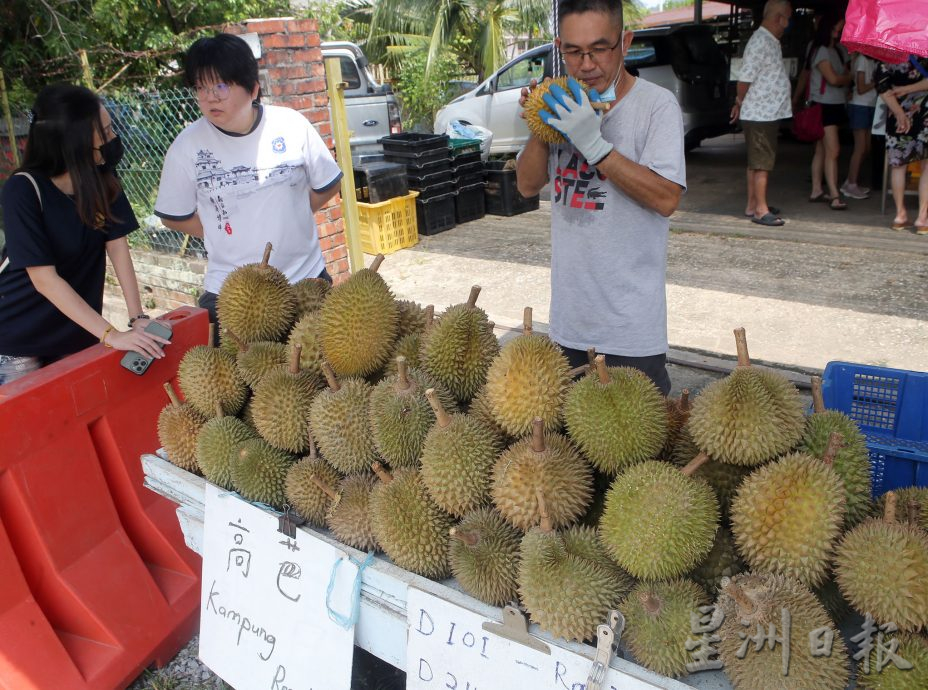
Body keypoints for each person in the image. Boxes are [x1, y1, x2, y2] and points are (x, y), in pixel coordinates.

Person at [515, 0, 685, 395]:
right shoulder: (561, 103)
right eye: (573, 51)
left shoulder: (656, 107)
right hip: (569, 323)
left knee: (636, 451)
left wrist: (595, 145)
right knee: (571, 450)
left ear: (625, 42)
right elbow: (526, 185)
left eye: (599, 49)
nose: (586, 63)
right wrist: (540, 123)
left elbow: (666, 199)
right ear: (560, 48)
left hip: (630, 329)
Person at [155, 33, 343, 327]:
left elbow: (328, 184)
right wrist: (222, 231)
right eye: (200, 87)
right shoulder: (186, 146)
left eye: (221, 86)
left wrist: (292, 212)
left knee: (320, 368)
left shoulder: (291, 125)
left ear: (253, 89)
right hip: (232, 294)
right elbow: (174, 216)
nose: (210, 97)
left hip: (305, 280)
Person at [0, 84, 167, 386]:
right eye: (103, 132)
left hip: (76, 333)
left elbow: (117, 246)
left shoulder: (101, 178)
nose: (112, 139)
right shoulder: (23, 190)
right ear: (73, 143)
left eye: (110, 127)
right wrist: (111, 334)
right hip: (17, 340)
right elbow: (44, 279)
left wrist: (137, 317)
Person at [729, 0, 793, 227]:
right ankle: (760, 210)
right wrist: (739, 101)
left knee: (756, 162)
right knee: (762, 163)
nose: (789, 23)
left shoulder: (769, 40)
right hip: (760, 114)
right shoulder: (760, 41)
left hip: (765, 113)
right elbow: (744, 79)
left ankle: (753, 204)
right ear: (779, 17)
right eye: (788, 17)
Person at [875, 55, 928, 234]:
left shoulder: (887, 52)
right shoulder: (924, 47)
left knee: (898, 166)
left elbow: (881, 86)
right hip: (924, 114)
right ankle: (922, 218)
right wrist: (909, 88)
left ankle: (900, 215)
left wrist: (899, 113)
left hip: (897, 117)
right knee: (927, 165)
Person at [806, 13, 852, 209]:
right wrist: (848, 78)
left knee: (822, 150)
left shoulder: (839, 49)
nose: (838, 32)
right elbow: (834, 79)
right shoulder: (821, 50)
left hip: (833, 103)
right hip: (824, 105)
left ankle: (817, 189)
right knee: (833, 150)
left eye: (840, 29)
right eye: (835, 29)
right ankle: (834, 194)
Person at [842, 52, 877, 199]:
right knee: (860, 147)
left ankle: (850, 180)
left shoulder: (873, 60)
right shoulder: (862, 59)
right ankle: (851, 184)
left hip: (870, 105)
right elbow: (861, 88)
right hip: (860, 105)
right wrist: (877, 82)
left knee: (866, 148)